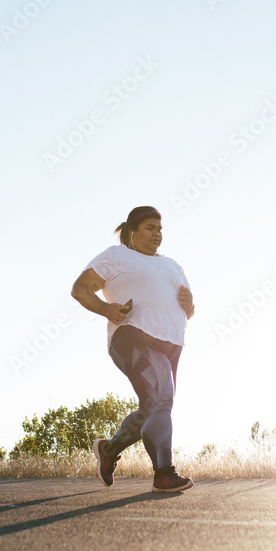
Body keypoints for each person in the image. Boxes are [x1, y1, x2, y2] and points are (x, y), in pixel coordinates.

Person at [71, 206, 195, 492]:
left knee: (153, 408)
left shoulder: (173, 265)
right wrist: (105, 309)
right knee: (162, 401)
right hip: (132, 336)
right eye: (150, 228)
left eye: (160, 229)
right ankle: (164, 474)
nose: (157, 234)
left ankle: (109, 450)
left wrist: (190, 306)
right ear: (132, 231)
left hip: (172, 343)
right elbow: (80, 289)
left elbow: (187, 311)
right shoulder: (116, 256)